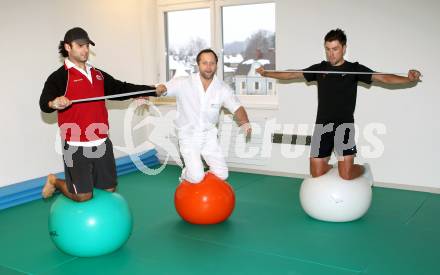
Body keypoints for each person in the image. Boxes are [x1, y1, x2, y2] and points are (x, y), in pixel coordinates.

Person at [257, 28, 421, 180]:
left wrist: (408, 79)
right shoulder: (320, 69)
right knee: (316, 172)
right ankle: (338, 166)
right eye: (328, 49)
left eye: (335, 49)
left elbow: (383, 77)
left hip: (344, 126)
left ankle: (364, 170)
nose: (331, 54)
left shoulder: (353, 69)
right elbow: (292, 74)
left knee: (347, 175)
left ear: (344, 48)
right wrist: (267, 73)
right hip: (322, 126)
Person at [39, 27, 164, 202]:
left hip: (101, 141)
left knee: (109, 189)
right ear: (68, 47)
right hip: (75, 142)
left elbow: (121, 88)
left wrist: (151, 90)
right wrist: (54, 103)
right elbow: (45, 103)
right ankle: (55, 181)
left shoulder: (97, 74)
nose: (85, 50)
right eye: (80, 45)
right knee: (83, 196)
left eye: (87, 46)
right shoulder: (59, 77)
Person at [157, 49, 251, 184]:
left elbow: (237, 107)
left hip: (209, 136)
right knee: (196, 177)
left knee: (222, 174)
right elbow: (162, 88)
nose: (208, 67)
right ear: (198, 65)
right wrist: (151, 92)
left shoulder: (222, 88)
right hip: (188, 135)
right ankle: (185, 174)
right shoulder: (183, 82)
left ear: (216, 65)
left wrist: (245, 122)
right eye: (205, 63)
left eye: (212, 63)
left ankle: (199, 177)